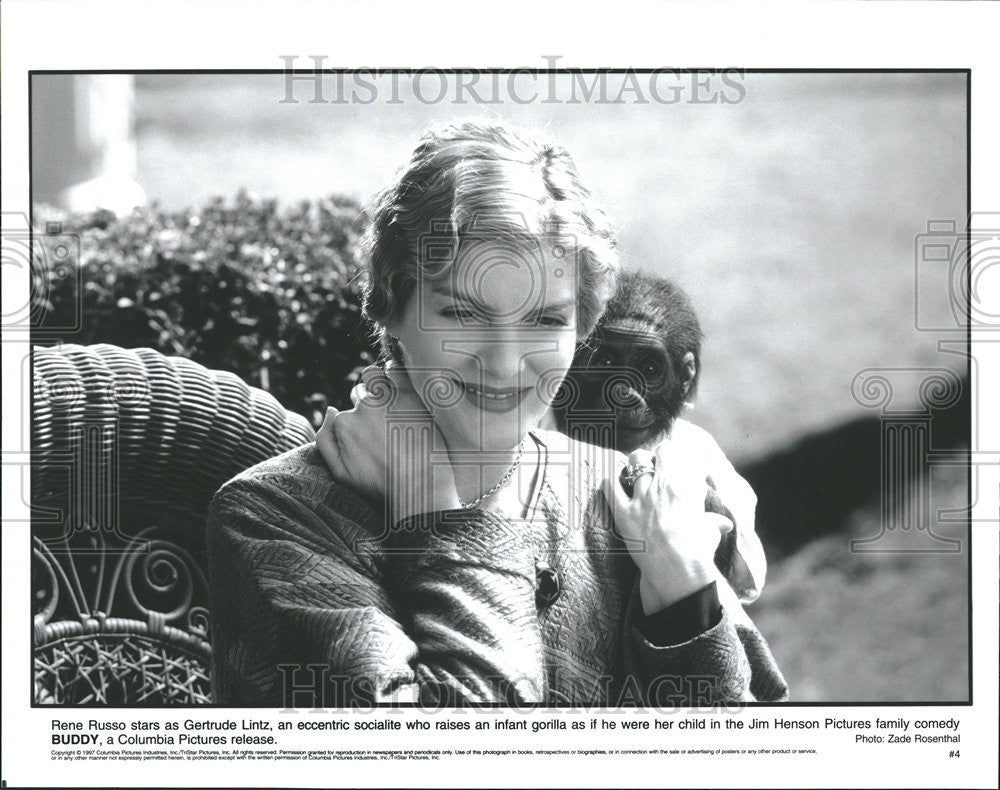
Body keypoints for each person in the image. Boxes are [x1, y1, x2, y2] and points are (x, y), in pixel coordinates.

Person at [206, 119, 788, 706]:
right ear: (391, 305)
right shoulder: (277, 517)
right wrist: (437, 514)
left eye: (545, 320)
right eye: (462, 314)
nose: (507, 364)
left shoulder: (629, 501)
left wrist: (687, 604)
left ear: (582, 327)